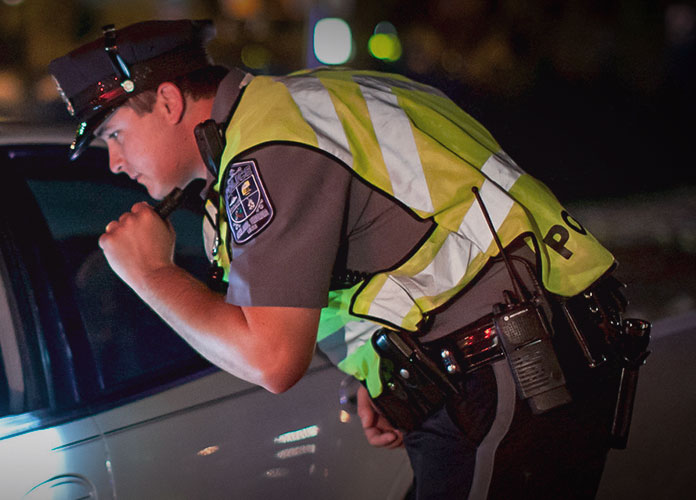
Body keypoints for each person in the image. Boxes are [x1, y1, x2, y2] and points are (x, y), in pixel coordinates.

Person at [49, 19, 646, 498]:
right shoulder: (297, 104)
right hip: (511, 358)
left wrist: (150, 273)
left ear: (171, 101)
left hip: (510, 370)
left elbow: (273, 359)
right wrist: (380, 369)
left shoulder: (269, 150)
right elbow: (397, 238)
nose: (114, 164)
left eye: (114, 135)